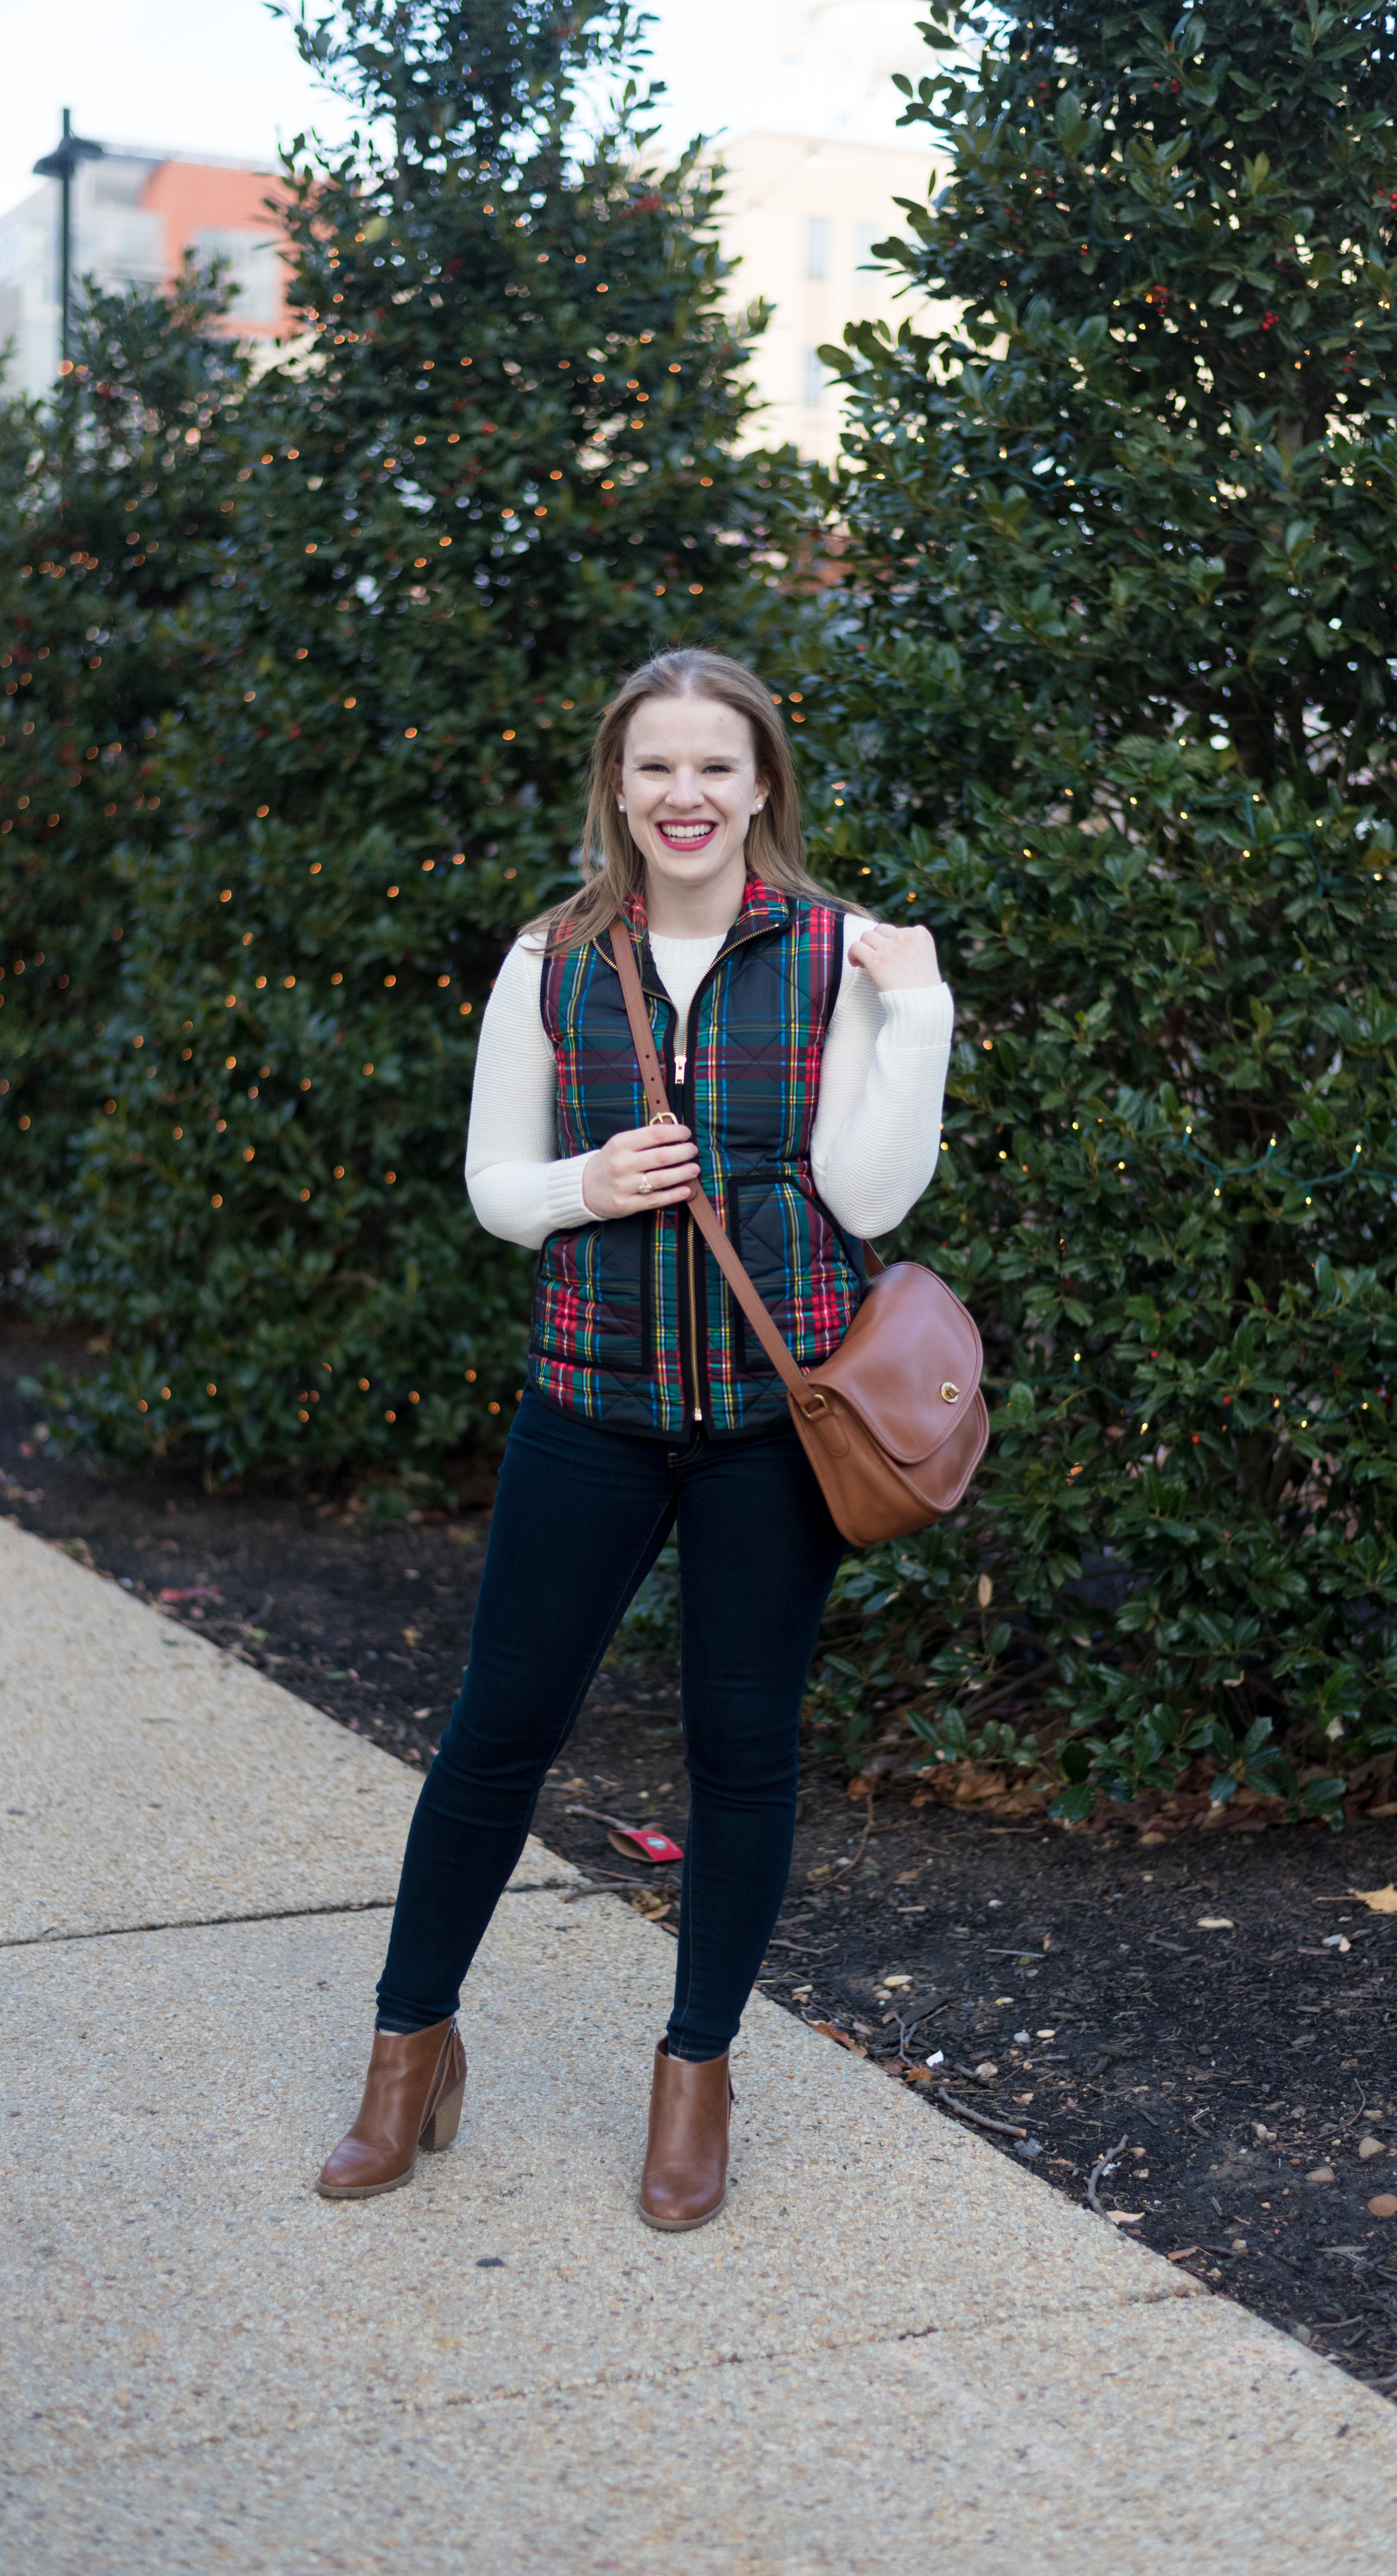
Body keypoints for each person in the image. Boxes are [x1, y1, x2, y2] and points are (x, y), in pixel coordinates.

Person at [316, 648, 953, 2229]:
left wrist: (921, 1003)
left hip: (768, 1426)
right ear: (617, 784)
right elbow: (491, 1183)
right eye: (656, 767)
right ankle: (410, 2054)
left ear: (762, 791)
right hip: (589, 1407)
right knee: (493, 1739)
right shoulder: (551, 958)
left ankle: (696, 2079)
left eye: (717, 769)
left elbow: (870, 1203)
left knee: (742, 1759)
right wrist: (582, 1188)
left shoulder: (836, 958)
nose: (686, 796)